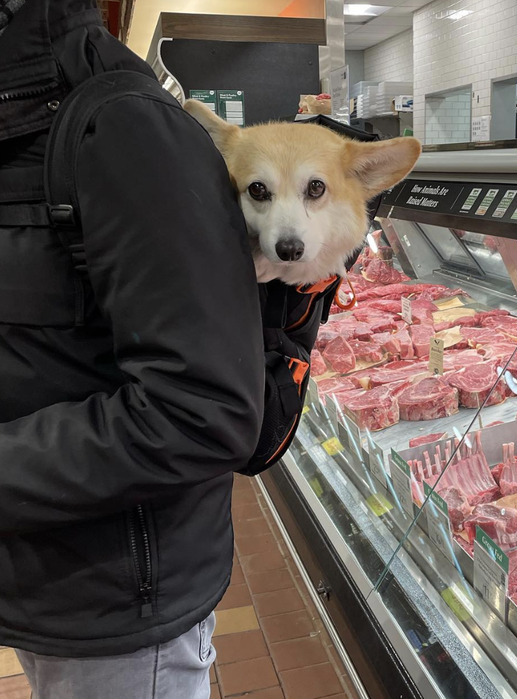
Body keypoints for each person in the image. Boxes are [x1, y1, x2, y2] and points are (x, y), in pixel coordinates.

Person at [0, 1, 321, 696]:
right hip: (48, 578)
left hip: (119, 604)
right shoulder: (26, 117)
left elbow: (200, 407)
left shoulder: (116, 124)